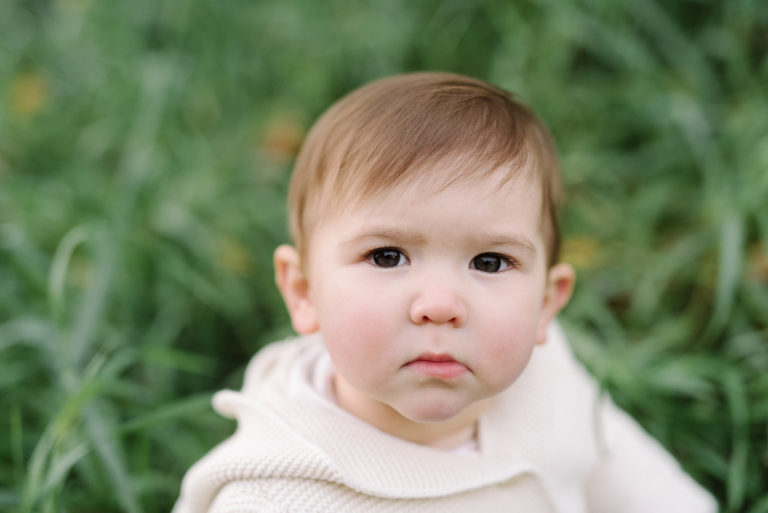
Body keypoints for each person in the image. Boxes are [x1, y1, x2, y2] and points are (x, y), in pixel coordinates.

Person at [173, 72, 716, 512]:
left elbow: (620, 466)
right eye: (387, 256)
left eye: (490, 261)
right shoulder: (274, 497)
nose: (439, 305)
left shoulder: (548, 377)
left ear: (547, 303)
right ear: (303, 291)